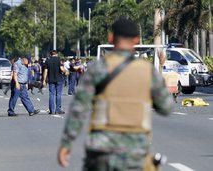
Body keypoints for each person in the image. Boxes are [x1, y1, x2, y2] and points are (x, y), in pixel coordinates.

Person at [57, 18, 173, 170]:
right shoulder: (147, 71)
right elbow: (166, 107)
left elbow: (79, 110)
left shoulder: (98, 69)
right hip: (135, 151)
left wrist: (67, 143)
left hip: (101, 151)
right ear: (136, 40)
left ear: (111, 38)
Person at [43, 50, 65, 115]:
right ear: (57, 54)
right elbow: (61, 69)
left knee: (51, 95)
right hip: (59, 79)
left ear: (50, 54)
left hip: (51, 80)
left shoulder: (47, 61)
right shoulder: (59, 60)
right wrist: (65, 71)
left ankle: (52, 110)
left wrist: (44, 80)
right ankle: (58, 110)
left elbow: (45, 71)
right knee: (58, 94)